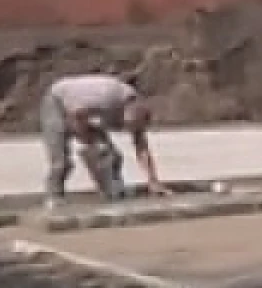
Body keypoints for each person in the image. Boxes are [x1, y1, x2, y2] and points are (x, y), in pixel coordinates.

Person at [39, 73, 167, 207]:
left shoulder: (135, 111)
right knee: (61, 161)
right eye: (124, 126)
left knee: (113, 156)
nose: (123, 129)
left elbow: (141, 147)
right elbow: (75, 118)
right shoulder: (107, 97)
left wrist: (153, 181)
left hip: (80, 112)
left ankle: (113, 191)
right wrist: (91, 143)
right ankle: (54, 197)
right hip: (56, 103)